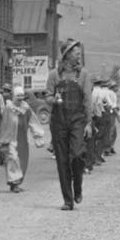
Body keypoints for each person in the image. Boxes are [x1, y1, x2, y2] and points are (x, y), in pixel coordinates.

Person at [45, 38, 94, 211]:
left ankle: (77, 186)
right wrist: (54, 99)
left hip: (78, 119)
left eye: (79, 51)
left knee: (78, 154)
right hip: (58, 121)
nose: (79, 54)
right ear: (66, 54)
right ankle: (68, 200)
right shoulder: (54, 75)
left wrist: (89, 123)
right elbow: (47, 96)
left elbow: (87, 100)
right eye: (75, 51)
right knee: (62, 161)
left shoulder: (84, 75)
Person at [0, 87, 46, 193]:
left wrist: (37, 136)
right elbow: (4, 124)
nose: (20, 98)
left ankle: (17, 182)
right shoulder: (8, 108)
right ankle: (14, 183)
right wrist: (3, 140)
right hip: (11, 139)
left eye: (22, 95)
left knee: (23, 161)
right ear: (14, 96)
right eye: (18, 96)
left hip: (22, 140)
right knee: (13, 159)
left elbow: (33, 121)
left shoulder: (26, 108)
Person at [105, 80, 120, 155]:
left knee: (113, 132)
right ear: (112, 87)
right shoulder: (111, 93)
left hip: (111, 113)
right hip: (111, 114)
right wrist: (118, 116)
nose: (117, 88)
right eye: (116, 86)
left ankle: (111, 147)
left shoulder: (111, 93)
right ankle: (107, 149)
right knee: (111, 132)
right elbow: (112, 106)